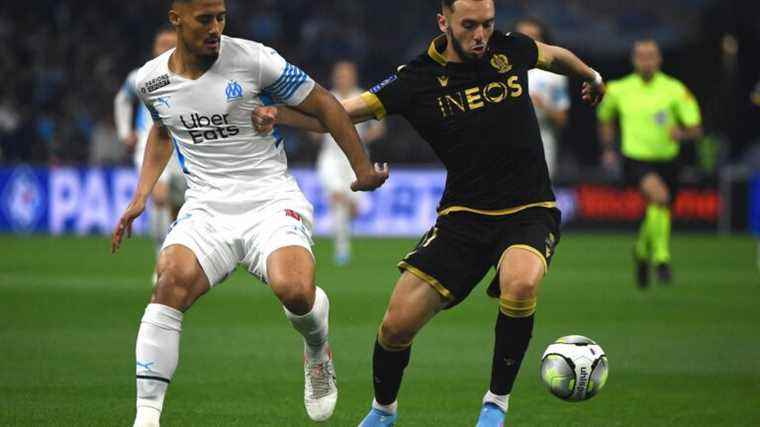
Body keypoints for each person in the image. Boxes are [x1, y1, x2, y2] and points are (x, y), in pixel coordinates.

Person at [252, 0, 604, 425]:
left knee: (521, 283)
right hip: (463, 217)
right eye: (470, 26)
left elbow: (553, 55)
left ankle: (495, 405)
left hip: (529, 209)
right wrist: (281, 115)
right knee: (395, 326)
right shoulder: (415, 80)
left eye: (488, 25)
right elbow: (338, 115)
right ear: (444, 22)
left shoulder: (510, 49)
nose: (481, 35)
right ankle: (383, 411)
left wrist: (589, 74)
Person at [110, 1, 389, 426]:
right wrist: (140, 196)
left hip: (270, 201)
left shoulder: (255, 60)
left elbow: (326, 105)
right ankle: (146, 418)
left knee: (295, 290)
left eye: (221, 17)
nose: (216, 28)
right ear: (177, 19)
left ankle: (317, 352)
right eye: (206, 19)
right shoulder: (152, 80)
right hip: (206, 208)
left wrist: (363, 168)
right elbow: (162, 131)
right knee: (170, 282)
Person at [597, 39, 702, 288]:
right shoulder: (618, 89)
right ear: (633, 59)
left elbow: (696, 129)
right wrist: (609, 149)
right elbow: (605, 119)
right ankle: (661, 259)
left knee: (660, 207)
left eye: (651, 56)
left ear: (659, 60)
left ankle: (642, 251)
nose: (646, 61)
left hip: (668, 160)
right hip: (635, 159)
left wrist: (683, 134)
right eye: (641, 56)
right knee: (661, 198)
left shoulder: (675, 89)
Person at [114, 26, 185, 270]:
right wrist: (125, 133)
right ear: (154, 48)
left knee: (178, 208)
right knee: (160, 197)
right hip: (150, 146)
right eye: (161, 44)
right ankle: (160, 260)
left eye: (170, 44)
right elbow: (122, 99)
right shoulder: (140, 76)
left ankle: (174, 257)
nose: (165, 49)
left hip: (182, 150)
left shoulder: (190, 76)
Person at [316, 61, 386, 265]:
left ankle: (351, 212)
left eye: (346, 75)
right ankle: (342, 249)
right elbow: (313, 128)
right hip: (330, 157)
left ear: (353, 77)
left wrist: (361, 139)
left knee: (351, 207)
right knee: (337, 198)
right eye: (339, 75)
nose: (342, 78)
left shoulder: (364, 97)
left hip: (355, 158)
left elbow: (379, 127)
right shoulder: (325, 97)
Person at [515, 17, 570, 179]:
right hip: (506, 140)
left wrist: (542, 106)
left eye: (534, 37)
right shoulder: (499, 70)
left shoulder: (554, 76)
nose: (527, 42)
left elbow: (562, 119)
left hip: (542, 142)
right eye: (522, 36)